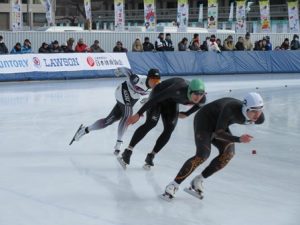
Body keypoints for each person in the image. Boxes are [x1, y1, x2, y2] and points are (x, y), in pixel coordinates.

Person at [163, 92, 265, 200]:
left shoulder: (259, 118)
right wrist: (238, 139)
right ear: (245, 108)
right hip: (205, 120)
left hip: (220, 124)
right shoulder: (231, 109)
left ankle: (198, 180)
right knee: (202, 155)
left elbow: (220, 129)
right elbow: (219, 133)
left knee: (228, 154)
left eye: (260, 110)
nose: (257, 115)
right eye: (253, 110)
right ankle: (173, 185)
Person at [119, 78, 206, 169]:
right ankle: (128, 151)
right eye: (196, 93)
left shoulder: (202, 99)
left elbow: (198, 106)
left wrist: (186, 114)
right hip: (158, 95)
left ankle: (151, 156)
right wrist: (138, 114)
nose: (198, 97)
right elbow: (154, 100)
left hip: (172, 101)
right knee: (151, 123)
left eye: (201, 94)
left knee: (169, 128)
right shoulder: (178, 88)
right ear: (189, 91)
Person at [70, 67, 161, 155]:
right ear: (148, 78)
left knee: (107, 121)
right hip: (123, 90)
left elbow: (156, 95)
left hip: (132, 98)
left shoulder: (157, 87)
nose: (155, 83)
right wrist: (119, 70)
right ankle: (119, 141)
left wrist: (148, 99)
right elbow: (128, 71)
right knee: (128, 114)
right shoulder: (137, 79)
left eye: (157, 81)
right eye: (153, 80)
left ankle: (85, 129)